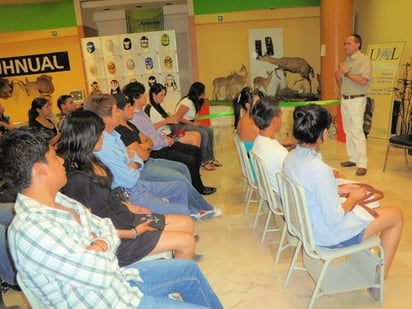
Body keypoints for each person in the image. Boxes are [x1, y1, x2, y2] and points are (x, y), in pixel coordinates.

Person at [0, 126, 223, 308]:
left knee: (190, 270)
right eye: (53, 156)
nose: (61, 160)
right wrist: (102, 243)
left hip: (119, 281)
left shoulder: (59, 200)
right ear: (39, 169)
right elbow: (100, 273)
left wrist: (97, 245)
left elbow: (104, 227)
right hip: (108, 301)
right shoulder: (33, 230)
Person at [282, 103, 403, 299]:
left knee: (366, 204)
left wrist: (338, 189)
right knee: (396, 215)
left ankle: (369, 266)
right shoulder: (318, 169)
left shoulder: (291, 158)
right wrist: (353, 198)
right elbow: (334, 218)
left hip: (307, 227)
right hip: (328, 235)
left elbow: (309, 189)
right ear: (323, 133)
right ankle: (379, 280)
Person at [58, 110, 197, 264]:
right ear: (86, 137)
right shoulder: (76, 178)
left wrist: (131, 207)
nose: (103, 136)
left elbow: (108, 196)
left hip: (126, 217)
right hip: (118, 238)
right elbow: (88, 228)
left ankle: (176, 265)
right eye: (99, 133)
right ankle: (176, 274)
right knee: (187, 242)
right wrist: (132, 233)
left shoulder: (92, 160)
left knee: (187, 223)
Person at [83, 94, 219, 220]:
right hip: (131, 192)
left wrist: (134, 163)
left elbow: (138, 154)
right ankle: (189, 215)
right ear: (105, 118)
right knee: (182, 207)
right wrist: (135, 162)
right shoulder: (102, 145)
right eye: (115, 110)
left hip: (139, 181)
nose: (119, 112)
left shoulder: (114, 135)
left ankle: (193, 212)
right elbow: (131, 175)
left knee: (181, 185)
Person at [121, 83, 216, 195]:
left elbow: (152, 132)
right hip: (156, 150)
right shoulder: (135, 118)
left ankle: (196, 184)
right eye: (143, 95)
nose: (146, 97)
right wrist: (165, 141)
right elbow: (147, 141)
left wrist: (164, 138)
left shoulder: (142, 113)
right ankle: (197, 188)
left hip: (162, 143)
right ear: (135, 98)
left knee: (196, 151)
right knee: (189, 160)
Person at [335, 34, 372, 176]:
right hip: (345, 99)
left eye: (348, 43)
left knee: (357, 131)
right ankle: (353, 158)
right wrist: (338, 75)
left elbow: (363, 81)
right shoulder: (347, 60)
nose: (345, 46)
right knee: (348, 131)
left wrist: (347, 73)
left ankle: (363, 163)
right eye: (345, 44)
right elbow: (342, 81)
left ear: (358, 44)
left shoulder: (364, 60)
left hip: (357, 99)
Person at [173, 82, 222, 171]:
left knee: (209, 130)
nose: (205, 93)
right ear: (199, 92)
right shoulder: (187, 102)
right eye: (204, 91)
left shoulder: (197, 101)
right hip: (179, 126)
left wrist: (194, 123)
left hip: (188, 123)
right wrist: (192, 124)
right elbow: (178, 117)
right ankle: (204, 161)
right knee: (203, 133)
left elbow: (193, 117)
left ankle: (211, 158)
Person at [251, 96, 288, 194]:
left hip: (272, 194)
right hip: (285, 199)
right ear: (275, 120)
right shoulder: (280, 153)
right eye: (281, 115)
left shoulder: (257, 141)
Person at [146, 83, 200, 147]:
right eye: (161, 95)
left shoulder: (159, 106)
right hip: (163, 137)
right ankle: (195, 155)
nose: (163, 98)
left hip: (170, 133)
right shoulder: (148, 109)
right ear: (153, 94)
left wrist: (172, 119)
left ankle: (196, 155)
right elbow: (148, 128)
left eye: (164, 95)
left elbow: (167, 121)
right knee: (194, 138)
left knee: (197, 134)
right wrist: (166, 121)